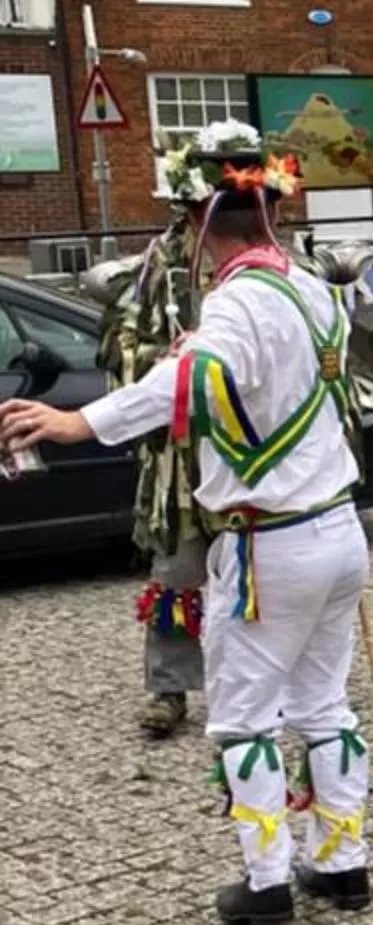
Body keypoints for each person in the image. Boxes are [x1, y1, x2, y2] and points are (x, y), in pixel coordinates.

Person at [1, 144, 372, 925]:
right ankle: (342, 866)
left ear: (200, 223)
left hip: (268, 545)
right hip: (337, 530)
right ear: (271, 211)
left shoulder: (237, 303)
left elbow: (191, 381)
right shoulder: (314, 293)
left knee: (244, 718)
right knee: (324, 704)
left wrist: (77, 421)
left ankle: (267, 883)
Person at [98, 129, 233, 737]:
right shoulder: (161, 264)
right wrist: (166, 366)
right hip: (182, 456)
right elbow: (120, 344)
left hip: (252, 452)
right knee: (178, 569)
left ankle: (273, 680)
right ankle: (171, 689)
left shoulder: (276, 265)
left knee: (268, 568)